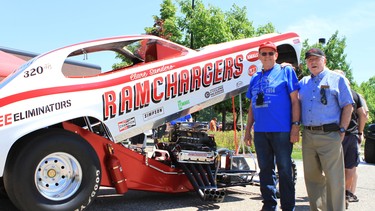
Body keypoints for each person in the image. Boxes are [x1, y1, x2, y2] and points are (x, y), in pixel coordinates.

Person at [244, 41, 300, 211]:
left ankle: (288, 207)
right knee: (265, 170)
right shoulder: (255, 77)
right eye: (264, 53)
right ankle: (269, 205)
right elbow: (251, 107)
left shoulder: (286, 71)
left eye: (270, 53)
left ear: (276, 56)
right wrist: (247, 131)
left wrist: (295, 126)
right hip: (260, 132)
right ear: (259, 57)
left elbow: (295, 101)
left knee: (284, 170)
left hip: (282, 131)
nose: (267, 56)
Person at [299, 48, 354, 211]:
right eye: (309, 60)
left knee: (334, 180)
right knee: (312, 178)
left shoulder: (337, 79)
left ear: (325, 60)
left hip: (330, 134)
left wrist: (343, 129)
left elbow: (348, 106)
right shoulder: (304, 82)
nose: (313, 62)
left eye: (316, 59)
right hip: (308, 135)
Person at [334, 70, 368, 206]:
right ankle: (346, 194)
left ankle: (336, 194)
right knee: (350, 167)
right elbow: (363, 114)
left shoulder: (331, 92)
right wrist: (360, 132)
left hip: (334, 134)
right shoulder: (355, 94)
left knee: (333, 167)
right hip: (351, 134)